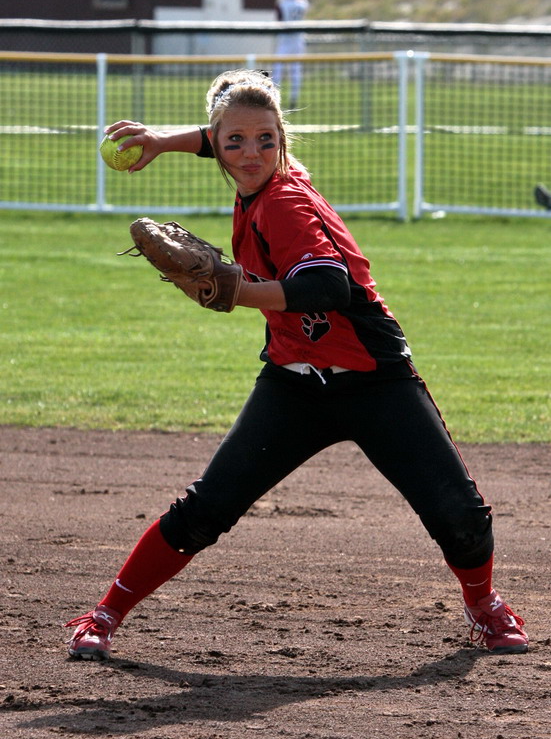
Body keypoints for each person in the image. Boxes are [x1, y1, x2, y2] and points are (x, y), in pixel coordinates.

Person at [65, 69, 528, 660]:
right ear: (218, 144)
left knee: (459, 516)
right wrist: (161, 140)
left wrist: (233, 290)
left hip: (374, 380)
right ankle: (104, 614)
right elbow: (220, 136)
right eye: (235, 141)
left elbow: (328, 287)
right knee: (206, 509)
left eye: (266, 139)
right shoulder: (254, 176)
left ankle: (485, 606)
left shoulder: (284, 201)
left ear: (282, 139)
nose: (251, 152)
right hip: (293, 383)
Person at [272, 0, 310, 109]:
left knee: (278, 69)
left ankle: (273, 97)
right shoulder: (303, 3)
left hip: (285, 39)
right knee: (295, 71)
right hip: (298, 40)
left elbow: (279, 18)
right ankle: (294, 98)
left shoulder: (282, 3)